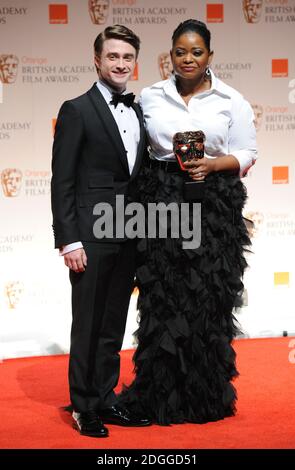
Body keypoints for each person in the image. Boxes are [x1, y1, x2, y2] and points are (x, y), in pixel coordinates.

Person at [119, 19, 257, 425]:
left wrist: (215, 164)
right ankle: (158, 395)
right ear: (171, 55)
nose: (188, 58)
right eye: (181, 51)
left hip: (213, 204)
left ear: (209, 56)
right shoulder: (150, 96)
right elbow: (137, 149)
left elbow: (247, 152)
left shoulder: (232, 100)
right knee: (162, 297)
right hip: (162, 199)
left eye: (197, 51)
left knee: (208, 300)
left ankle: (205, 398)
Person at [51, 24, 151, 438]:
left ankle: (106, 398)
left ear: (135, 62)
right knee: (88, 323)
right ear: (97, 60)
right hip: (89, 235)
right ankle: (83, 406)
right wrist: (68, 239)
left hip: (128, 233)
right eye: (113, 56)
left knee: (113, 322)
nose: (120, 64)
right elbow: (63, 180)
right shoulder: (76, 109)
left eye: (127, 57)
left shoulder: (139, 109)